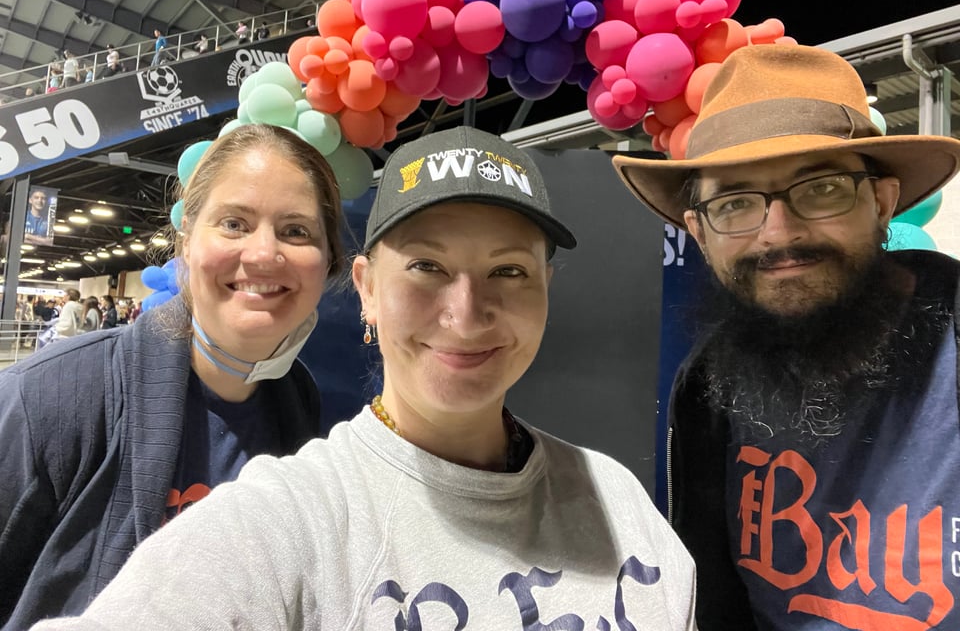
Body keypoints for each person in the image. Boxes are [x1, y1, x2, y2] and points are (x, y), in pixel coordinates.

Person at [29, 126, 697, 630]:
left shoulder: (619, 502)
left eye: (509, 271)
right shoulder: (291, 519)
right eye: (427, 268)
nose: (465, 314)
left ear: (546, 288)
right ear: (367, 291)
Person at [611, 43, 960, 629]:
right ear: (699, 232)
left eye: (820, 188)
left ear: (881, 201)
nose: (779, 233)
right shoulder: (707, 387)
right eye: (736, 202)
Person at [1, 123, 349, 629]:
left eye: (296, 231)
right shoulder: (51, 397)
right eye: (234, 223)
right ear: (186, 242)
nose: (263, 253)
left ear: (328, 262)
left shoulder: (300, 403)